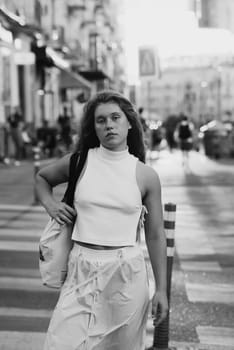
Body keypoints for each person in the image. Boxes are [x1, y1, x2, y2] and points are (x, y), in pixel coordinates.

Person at [35, 90, 168, 350]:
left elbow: (155, 234)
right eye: (101, 120)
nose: (108, 125)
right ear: (93, 127)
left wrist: (161, 289)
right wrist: (51, 205)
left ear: (129, 123)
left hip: (126, 274)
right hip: (81, 267)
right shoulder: (79, 162)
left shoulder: (145, 175)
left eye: (115, 118)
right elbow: (42, 178)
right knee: (60, 344)